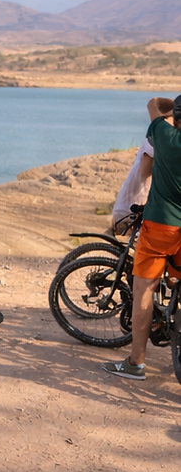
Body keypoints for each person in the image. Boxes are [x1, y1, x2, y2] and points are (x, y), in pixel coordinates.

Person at [103, 95, 181, 382]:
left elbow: (152, 105)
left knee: (144, 290)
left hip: (161, 227)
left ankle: (136, 362)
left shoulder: (165, 135)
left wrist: (170, 107)